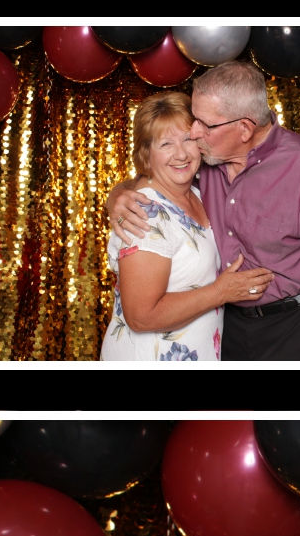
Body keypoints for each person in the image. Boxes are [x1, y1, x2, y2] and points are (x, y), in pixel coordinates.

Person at [107, 60, 300, 362]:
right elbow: (158, 174)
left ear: (244, 128)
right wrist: (118, 195)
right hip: (229, 328)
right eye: (195, 120)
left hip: (293, 326)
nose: (195, 132)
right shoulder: (207, 161)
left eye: (204, 125)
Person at [101, 90, 273, 361]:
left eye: (188, 139)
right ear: (146, 154)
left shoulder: (200, 192)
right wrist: (221, 292)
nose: (180, 154)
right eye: (165, 144)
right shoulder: (144, 214)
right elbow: (141, 316)